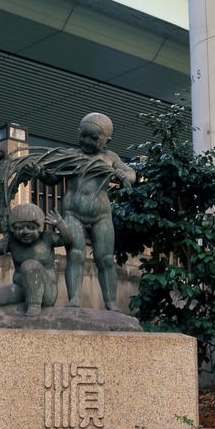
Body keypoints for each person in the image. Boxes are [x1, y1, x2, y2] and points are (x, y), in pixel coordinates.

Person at [56, 112, 136, 310]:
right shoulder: (71, 155)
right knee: (75, 255)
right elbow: (51, 178)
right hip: (72, 211)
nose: (87, 141)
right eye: (83, 135)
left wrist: (122, 175)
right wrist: (40, 172)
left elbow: (131, 174)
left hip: (101, 214)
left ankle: (110, 302)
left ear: (107, 140)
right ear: (78, 132)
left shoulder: (110, 157)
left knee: (105, 259)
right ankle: (74, 298)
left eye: (94, 138)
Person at [0, 203, 74, 316]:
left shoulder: (47, 238)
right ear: (13, 229)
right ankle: (23, 306)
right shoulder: (12, 241)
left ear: (39, 228)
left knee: (29, 265)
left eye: (30, 227)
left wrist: (60, 223)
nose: (25, 231)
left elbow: (69, 239)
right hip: (21, 290)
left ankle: (34, 306)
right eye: (20, 228)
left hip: (46, 292)